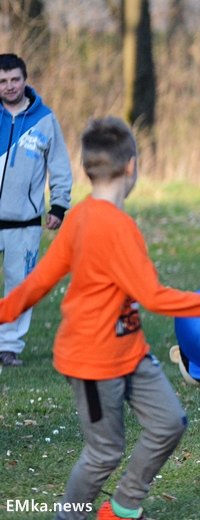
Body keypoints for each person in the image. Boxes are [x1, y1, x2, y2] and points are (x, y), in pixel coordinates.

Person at [0, 117, 200, 520]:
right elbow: (154, 297)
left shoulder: (84, 216)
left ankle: (121, 508)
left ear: (86, 168)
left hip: (131, 352)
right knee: (104, 452)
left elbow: (38, 281)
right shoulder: (109, 225)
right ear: (132, 165)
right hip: (92, 361)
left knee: (169, 423)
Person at [0, 53, 73, 367]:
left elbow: (60, 166)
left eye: (15, 79)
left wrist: (59, 204)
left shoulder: (45, 119)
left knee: (20, 287)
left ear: (25, 80)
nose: (9, 86)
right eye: (3, 81)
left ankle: (8, 346)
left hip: (25, 222)